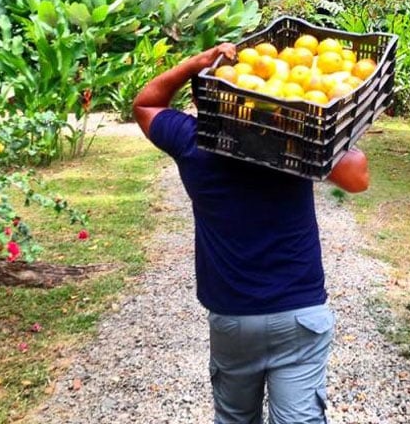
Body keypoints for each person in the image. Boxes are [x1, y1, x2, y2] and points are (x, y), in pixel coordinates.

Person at [132, 43, 369, 423]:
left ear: (201, 99)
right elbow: (358, 175)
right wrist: (314, 124)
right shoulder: (291, 139)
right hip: (300, 311)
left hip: (233, 316)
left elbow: (145, 104)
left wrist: (195, 62)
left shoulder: (190, 142)